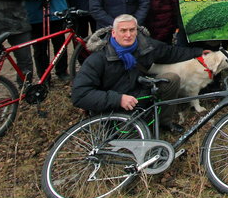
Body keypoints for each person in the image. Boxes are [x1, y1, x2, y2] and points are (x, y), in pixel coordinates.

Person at [71, 14, 206, 134]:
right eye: (123, 31)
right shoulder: (98, 59)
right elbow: (80, 94)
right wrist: (118, 99)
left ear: (137, 30)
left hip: (140, 94)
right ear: (113, 33)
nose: (128, 35)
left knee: (171, 79)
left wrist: (199, 52)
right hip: (115, 107)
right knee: (132, 139)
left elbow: (170, 52)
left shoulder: (146, 46)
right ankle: (127, 129)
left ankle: (163, 122)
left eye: (132, 30)